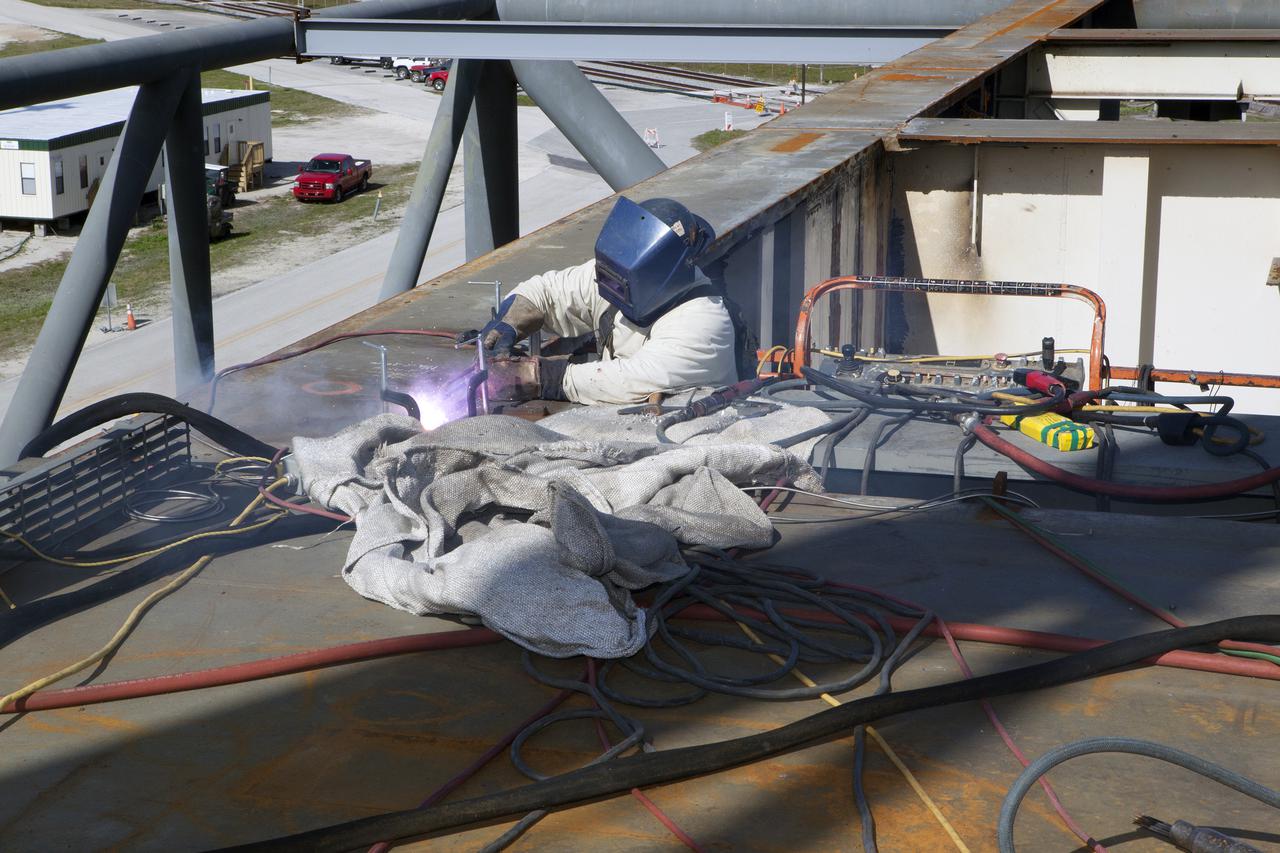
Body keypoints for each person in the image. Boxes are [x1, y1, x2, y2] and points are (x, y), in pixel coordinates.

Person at [478, 196, 744, 406]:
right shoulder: (621, 275)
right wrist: (509, 321)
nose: (608, 287)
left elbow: (633, 379)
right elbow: (548, 291)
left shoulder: (703, 321)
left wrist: (545, 377)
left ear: (653, 277)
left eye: (617, 283)